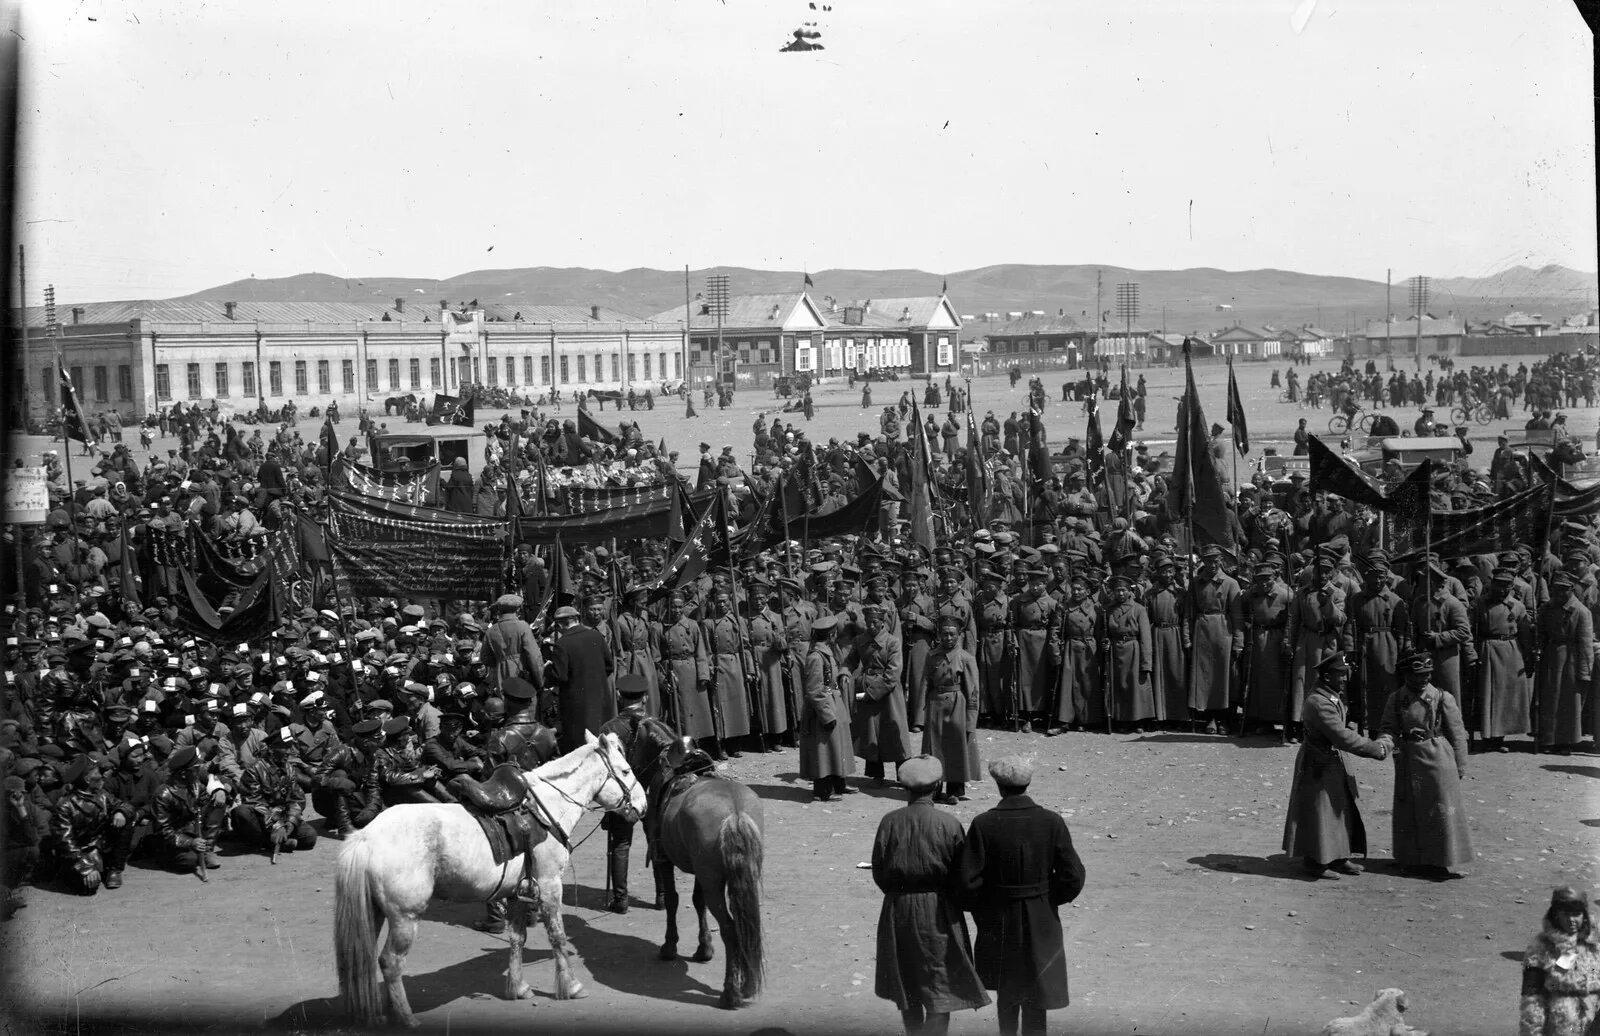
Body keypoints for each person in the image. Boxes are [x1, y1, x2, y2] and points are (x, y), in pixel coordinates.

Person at [957, 755, 1086, 1036]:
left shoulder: (984, 824)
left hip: (999, 916)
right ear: (1028, 783)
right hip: (1041, 915)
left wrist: (983, 909)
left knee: (1007, 988)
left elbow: (968, 881)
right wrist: (1048, 899)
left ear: (999, 786)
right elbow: (1073, 875)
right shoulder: (1051, 821)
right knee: (1037, 987)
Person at [871, 754, 990, 1036]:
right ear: (937, 787)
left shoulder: (890, 822)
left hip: (898, 909)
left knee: (907, 981)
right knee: (940, 983)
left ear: (905, 788)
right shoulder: (948, 824)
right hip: (940, 910)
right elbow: (962, 873)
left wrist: (898, 892)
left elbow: (880, 870)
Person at [1280, 653, 1389, 878]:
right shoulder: (1319, 703)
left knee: (1339, 810)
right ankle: (1315, 862)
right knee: (1319, 812)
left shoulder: (1330, 696)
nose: (1344, 679)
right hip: (1318, 762)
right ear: (1327, 676)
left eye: (1344, 674)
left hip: (1330, 759)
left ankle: (1338, 857)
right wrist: (1374, 749)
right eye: (1340, 675)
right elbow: (1341, 736)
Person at [1375, 651, 1473, 879]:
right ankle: (1411, 859)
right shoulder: (1397, 698)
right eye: (1417, 676)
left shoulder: (1442, 697)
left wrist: (1460, 765)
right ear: (1407, 675)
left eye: (1427, 675)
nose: (1423, 680)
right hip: (1408, 759)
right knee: (1408, 810)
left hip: (1438, 758)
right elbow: (1388, 728)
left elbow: (1458, 734)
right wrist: (1389, 747)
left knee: (1439, 811)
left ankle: (1440, 862)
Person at [598, 674, 652, 914]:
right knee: (657, 842)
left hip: (623, 795)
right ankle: (661, 897)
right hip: (650, 791)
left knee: (620, 844)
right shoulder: (656, 724)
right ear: (646, 698)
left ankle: (620, 900)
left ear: (619, 697)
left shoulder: (608, 728)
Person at [1518, 886, 1600, 1036]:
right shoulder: (1540, 948)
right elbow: (1532, 997)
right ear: (1556, 915)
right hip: (1560, 1023)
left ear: (1585, 916)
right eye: (1565, 914)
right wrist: (1532, 1030)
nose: (1571, 920)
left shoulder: (1595, 945)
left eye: (1577, 914)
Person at [798, 613, 854, 801]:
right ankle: (822, 790)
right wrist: (826, 715)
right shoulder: (816, 657)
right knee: (823, 751)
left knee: (836, 747)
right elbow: (814, 690)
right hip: (823, 707)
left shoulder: (828, 652)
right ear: (830, 635)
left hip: (833, 700)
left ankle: (839, 784)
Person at [549, 603, 615, 753]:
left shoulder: (562, 644)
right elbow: (609, 666)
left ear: (560, 625)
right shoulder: (596, 635)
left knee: (581, 747)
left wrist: (548, 670)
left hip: (576, 706)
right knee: (603, 742)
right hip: (601, 699)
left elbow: (560, 676)